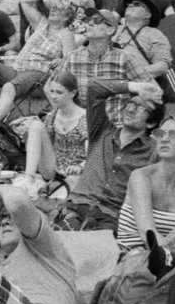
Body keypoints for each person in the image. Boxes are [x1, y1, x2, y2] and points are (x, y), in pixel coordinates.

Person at [57, 79, 163, 232]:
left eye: (141, 108)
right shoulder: (101, 130)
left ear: (151, 123)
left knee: (98, 249)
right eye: (131, 103)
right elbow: (94, 88)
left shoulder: (153, 152)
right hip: (78, 205)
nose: (131, 109)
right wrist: (136, 87)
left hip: (111, 216)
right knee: (62, 239)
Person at [116, 115, 175, 255]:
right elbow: (148, 235)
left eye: (173, 134)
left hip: (172, 259)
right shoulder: (142, 177)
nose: (164, 139)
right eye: (160, 134)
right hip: (132, 258)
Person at [0, 0, 75, 122]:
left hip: (39, 75)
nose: (52, 10)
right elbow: (25, 2)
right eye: (52, 7)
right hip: (17, 69)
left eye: (58, 9)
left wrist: (60, 61)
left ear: (66, 17)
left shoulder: (66, 34)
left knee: (9, 86)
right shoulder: (41, 24)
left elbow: (68, 62)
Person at [57, 8, 154, 129]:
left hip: (114, 127)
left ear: (110, 29)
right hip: (80, 126)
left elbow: (151, 90)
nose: (90, 23)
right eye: (87, 20)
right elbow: (54, 88)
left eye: (97, 20)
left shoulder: (124, 58)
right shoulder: (73, 57)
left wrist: (134, 112)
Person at [13, 72, 87, 197]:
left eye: (59, 92)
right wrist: (26, 132)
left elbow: (92, 151)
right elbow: (42, 143)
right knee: (35, 125)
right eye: (52, 91)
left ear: (73, 93)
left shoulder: (85, 117)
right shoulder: (53, 115)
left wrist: (81, 166)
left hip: (76, 170)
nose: (53, 96)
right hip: (53, 168)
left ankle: (42, 187)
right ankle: (28, 179)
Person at [110, 0, 173, 81]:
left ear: (148, 15)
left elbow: (162, 66)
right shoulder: (113, 29)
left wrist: (131, 74)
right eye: (129, 4)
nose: (130, 6)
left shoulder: (154, 34)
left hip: (134, 85)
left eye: (137, 4)